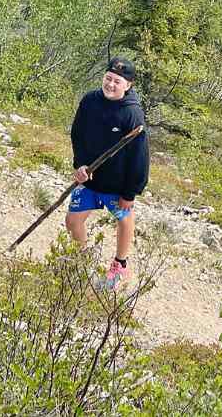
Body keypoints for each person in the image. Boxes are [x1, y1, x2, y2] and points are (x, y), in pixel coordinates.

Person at [67, 56, 150, 288]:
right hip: (90, 179)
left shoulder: (132, 114)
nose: (110, 84)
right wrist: (80, 165)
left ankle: (120, 264)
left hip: (117, 185)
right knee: (73, 221)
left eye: (117, 81)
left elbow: (140, 157)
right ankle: (82, 263)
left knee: (124, 218)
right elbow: (77, 135)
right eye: (108, 78)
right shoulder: (89, 101)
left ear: (128, 85)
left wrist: (130, 193)